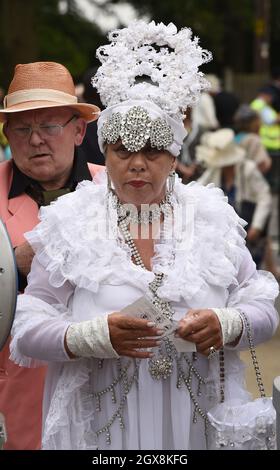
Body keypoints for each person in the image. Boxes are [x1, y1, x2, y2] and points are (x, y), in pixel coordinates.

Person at [10, 21, 279, 450]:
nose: (137, 164)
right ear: (104, 151)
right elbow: (27, 324)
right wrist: (91, 336)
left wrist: (226, 323)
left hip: (197, 426)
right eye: (122, 150)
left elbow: (262, 303)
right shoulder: (72, 220)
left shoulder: (211, 216)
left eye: (152, 150)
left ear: (175, 155)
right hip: (102, 432)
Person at [0, 61, 102, 449]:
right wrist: (12, 264)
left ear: (78, 131)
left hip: (105, 389)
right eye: (22, 129)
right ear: (7, 134)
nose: (36, 140)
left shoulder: (118, 189)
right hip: (19, 398)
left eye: (49, 126)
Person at [197, 128, 272, 268]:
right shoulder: (215, 170)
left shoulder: (248, 169)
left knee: (250, 269)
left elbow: (264, 197)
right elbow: (198, 187)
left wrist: (257, 226)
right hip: (227, 234)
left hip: (249, 231)